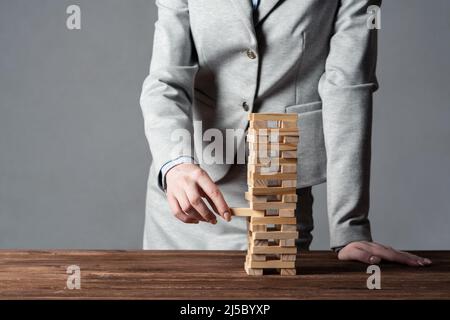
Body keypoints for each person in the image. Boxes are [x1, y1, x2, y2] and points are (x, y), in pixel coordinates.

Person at [139, 0, 431, 266]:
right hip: (188, 194)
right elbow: (166, 81)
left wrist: (349, 228)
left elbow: (348, 90)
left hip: (279, 200)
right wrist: (175, 164)